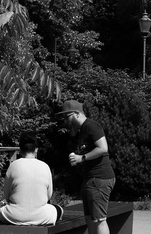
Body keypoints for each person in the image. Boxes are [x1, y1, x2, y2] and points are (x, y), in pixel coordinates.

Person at [56, 99, 116, 234]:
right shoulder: (82, 130)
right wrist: (78, 158)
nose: (66, 120)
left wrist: (81, 158)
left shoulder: (91, 126)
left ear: (77, 113)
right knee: (91, 220)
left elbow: (103, 148)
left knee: (100, 220)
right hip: (91, 179)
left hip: (99, 178)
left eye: (67, 116)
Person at [0, 132, 61, 225]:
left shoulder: (13, 165)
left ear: (20, 150)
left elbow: (6, 195)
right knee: (59, 209)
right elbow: (48, 195)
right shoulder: (45, 166)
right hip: (42, 215)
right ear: (36, 150)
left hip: (14, 215)